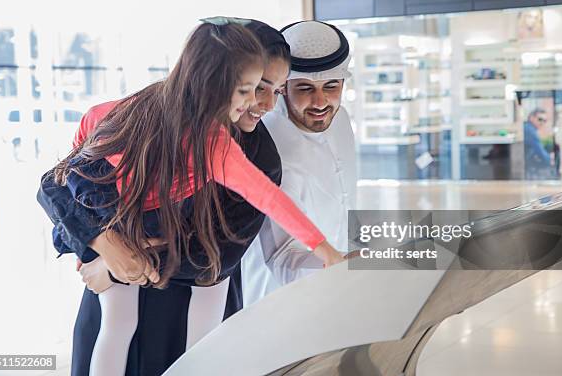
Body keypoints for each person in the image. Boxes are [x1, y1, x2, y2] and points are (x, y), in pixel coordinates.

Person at [37, 20, 342, 376]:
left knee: (198, 333)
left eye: (273, 90)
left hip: (176, 281)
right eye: (252, 89)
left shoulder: (237, 150)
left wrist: (326, 250)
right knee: (116, 329)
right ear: (215, 81)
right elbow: (66, 176)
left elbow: (259, 209)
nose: (261, 104)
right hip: (119, 238)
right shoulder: (140, 113)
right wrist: (98, 243)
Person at [241, 20, 357, 306]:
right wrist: (336, 265)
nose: (320, 102)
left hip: (339, 285)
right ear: (283, 87)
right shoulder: (261, 138)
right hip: (277, 300)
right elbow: (279, 256)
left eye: (331, 86)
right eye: (304, 88)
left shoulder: (342, 119)